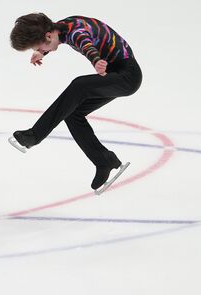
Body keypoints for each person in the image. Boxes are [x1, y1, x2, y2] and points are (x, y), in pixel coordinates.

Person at [8, 13, 142, 191]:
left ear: (48, 36)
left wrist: (95, 60)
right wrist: (42, 52)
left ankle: (35, 135)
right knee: (72, 114)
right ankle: (105, 161)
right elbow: (63, 38)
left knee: (79, 85)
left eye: (36, 45)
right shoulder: (62, 27)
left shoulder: (76, 32)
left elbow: (84, 43)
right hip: (113, 75)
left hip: (127, 76)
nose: (37, 49)